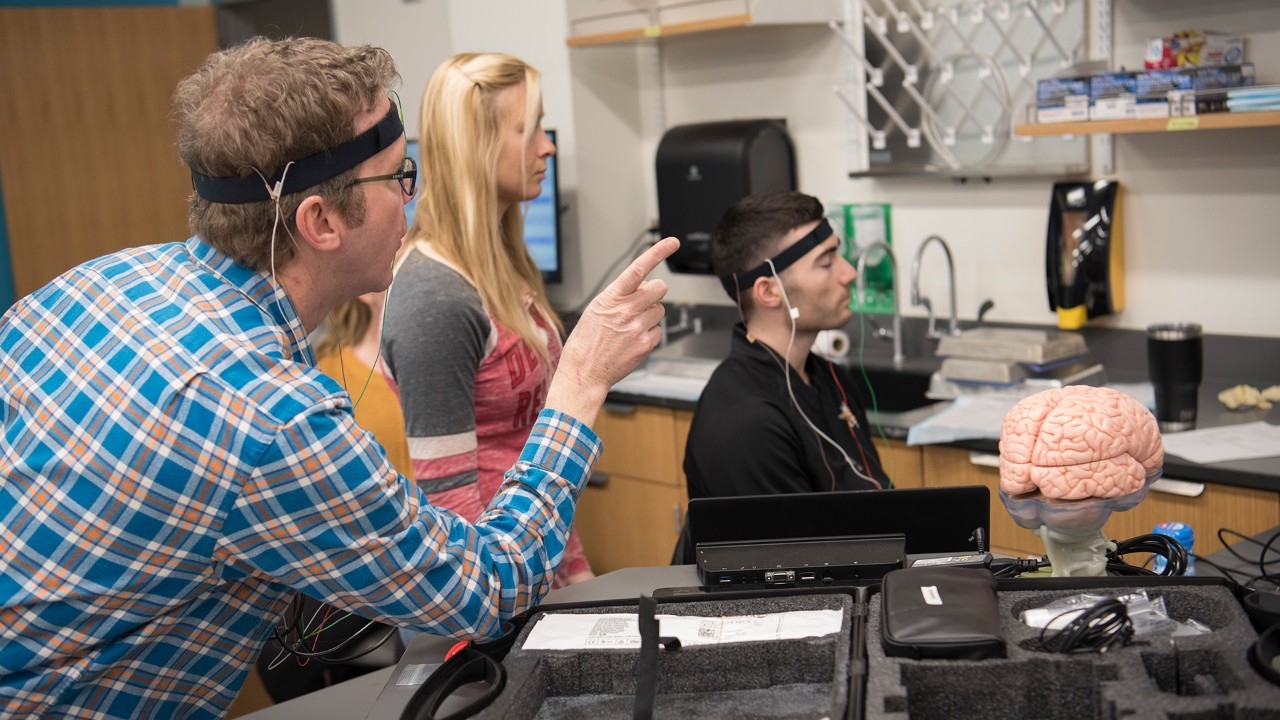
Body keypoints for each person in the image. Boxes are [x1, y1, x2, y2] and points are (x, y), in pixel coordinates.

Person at [0, 36, 676, 718]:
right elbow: (484, 588)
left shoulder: (85, 289)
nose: (408, 200)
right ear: (320, 221)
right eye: (396, 178)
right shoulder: (273, 417)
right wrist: (581, 382)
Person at [382, 52, 592, 588]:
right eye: (530, 128)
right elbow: (449, 510)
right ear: (477, 146)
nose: (547, 146)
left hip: (539, 558)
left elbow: (524, 447)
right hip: (488, 593)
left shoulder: (501, 262)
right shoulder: (435, 297)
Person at [683, 191, 892, 503]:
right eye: (826, 262)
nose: (848, 273)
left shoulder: (829, 379)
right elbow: (795, 550)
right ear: (769, 292)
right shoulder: (746, 420)